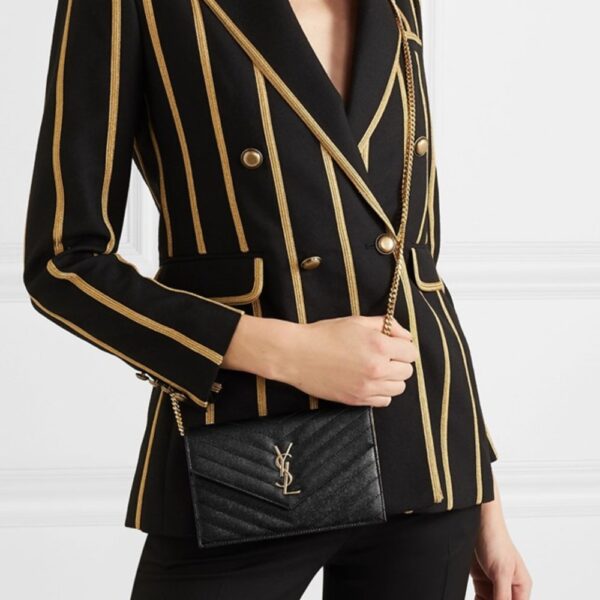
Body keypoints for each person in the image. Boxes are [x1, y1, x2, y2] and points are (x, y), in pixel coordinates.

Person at [22, 0, 532, 598]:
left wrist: (483, 493)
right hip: (247, 454)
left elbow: (414, 265)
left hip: (426, 457)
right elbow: (64, 263)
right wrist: (289, 352)